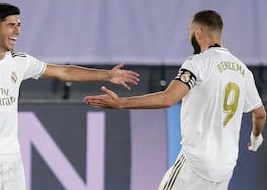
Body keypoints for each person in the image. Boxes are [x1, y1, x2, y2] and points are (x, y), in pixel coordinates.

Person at [0, 3, 139, 190]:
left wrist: (107, 75)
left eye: (19, 24)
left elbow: (64, 72)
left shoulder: (20, 61)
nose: (17, 31)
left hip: (12, 156)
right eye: (11, 25)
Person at [84, 10, 266, 190]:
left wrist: (121, 103)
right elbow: (259, 113)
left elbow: (168, 98)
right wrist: (256, 136)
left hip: (196, 164)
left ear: (198, 32)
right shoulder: (243, 71)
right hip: (225, 167)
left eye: (189, 31)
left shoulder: (198, 63)